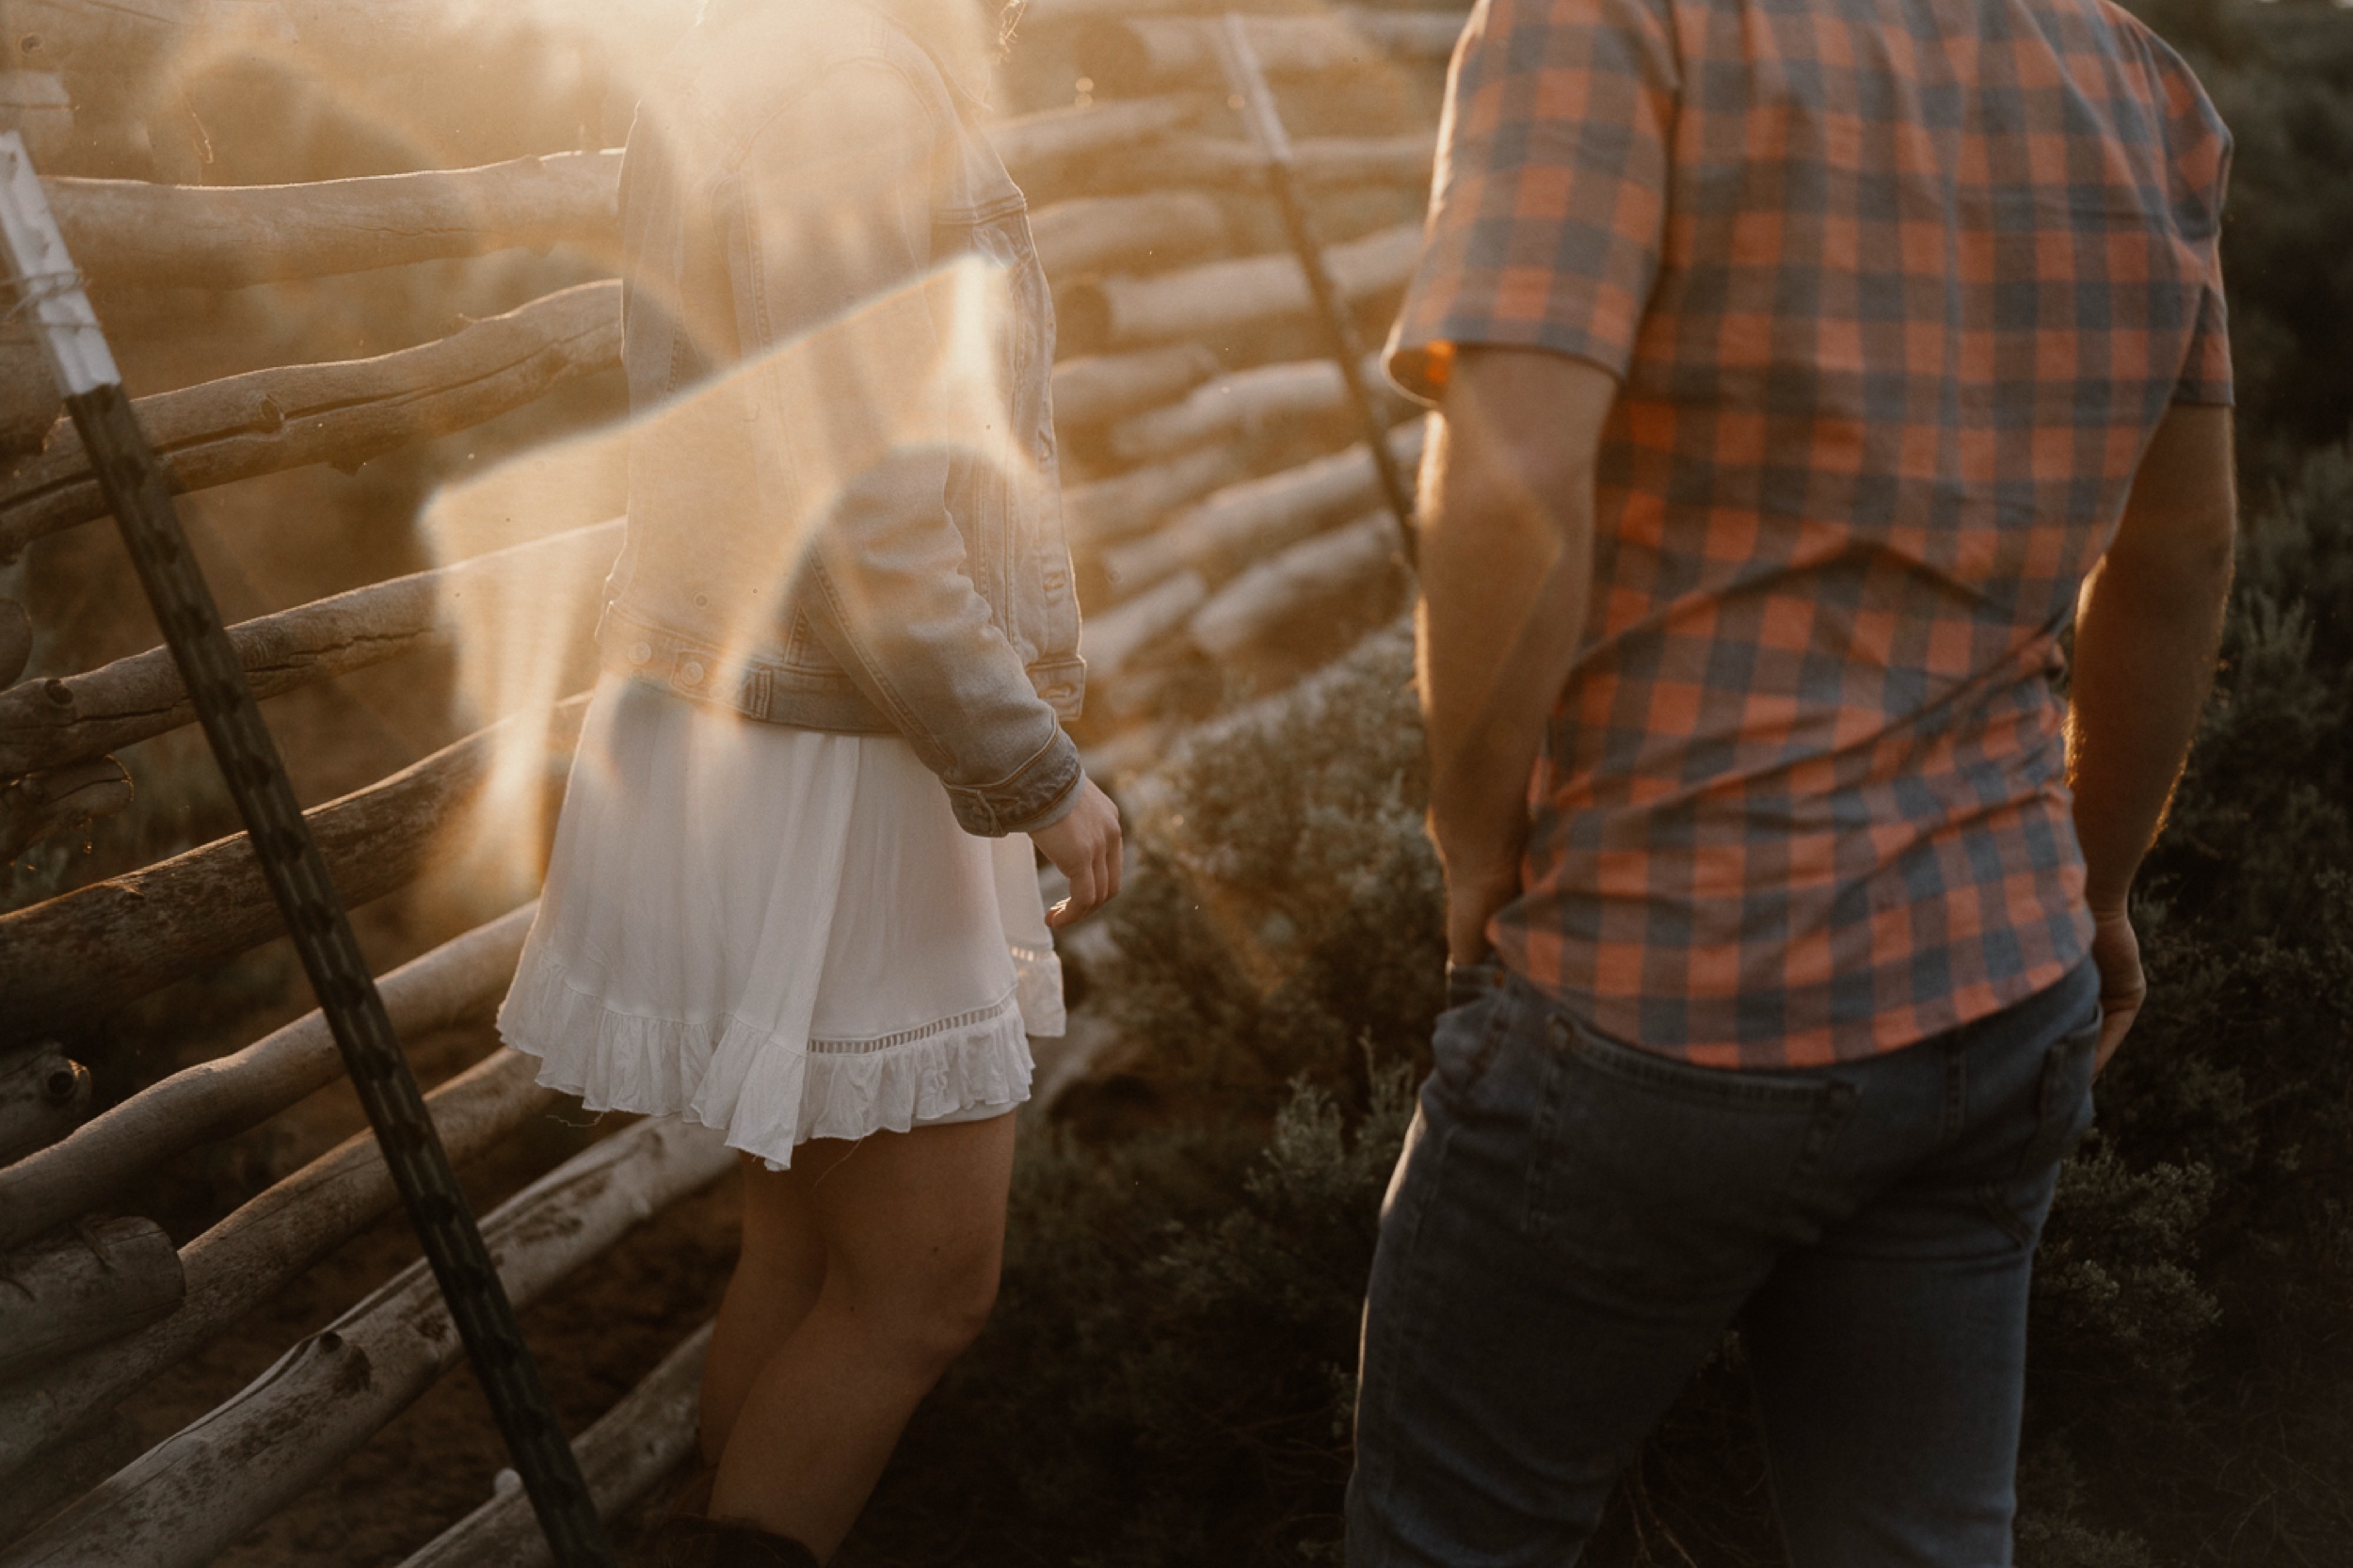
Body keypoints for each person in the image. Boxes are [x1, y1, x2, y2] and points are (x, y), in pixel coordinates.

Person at [1349, 0, 2236, 1560]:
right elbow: (2181, 553)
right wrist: (2092, 888)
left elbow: (1515, 481)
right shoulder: (2136, 84)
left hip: (1654, 980)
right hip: (1997, 984)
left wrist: (1471, 838)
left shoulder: (1610, 23)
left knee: (1453, 1534)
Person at [494, 3, 1118, 1564]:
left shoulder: (758, 49)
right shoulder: (840, 80)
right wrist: (1032, 768)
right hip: (844, 745)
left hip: (778, 726)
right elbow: (866, 505)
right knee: (922, 1288)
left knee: (804, 1251)